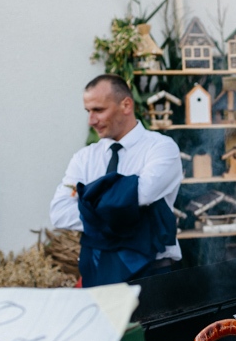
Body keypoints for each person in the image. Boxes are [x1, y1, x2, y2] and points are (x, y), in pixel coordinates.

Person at [50, 74, 183, 286]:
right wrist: (132, 212)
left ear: (126, 105)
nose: (91, 120)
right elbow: (59, 213)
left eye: (98, 110)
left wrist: (88, 202)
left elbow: (142, 194)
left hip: (152, 274)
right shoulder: (84, 158)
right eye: (88, 111)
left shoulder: (161, 148)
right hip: (98, 275)